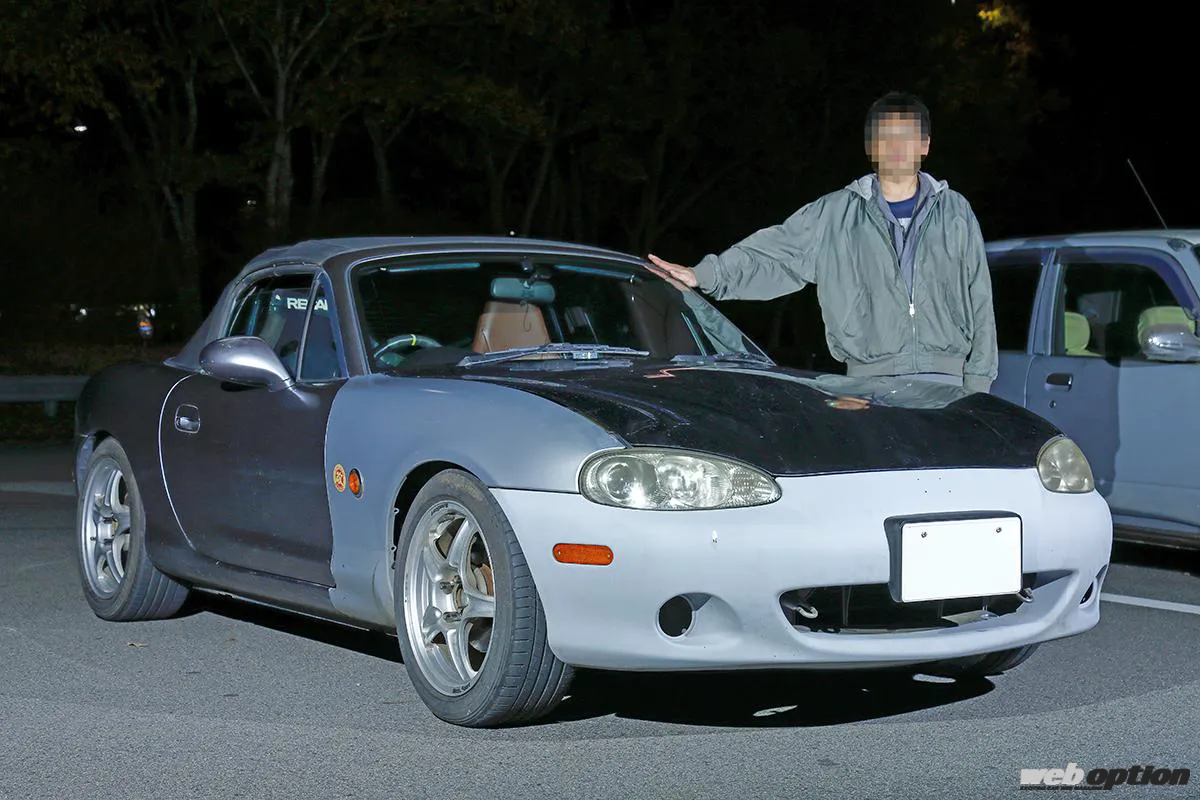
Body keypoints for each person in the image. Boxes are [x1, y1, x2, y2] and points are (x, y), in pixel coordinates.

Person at [646, 91, 998, 393]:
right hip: (868, 386)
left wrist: (978, 384)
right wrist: (705, 274)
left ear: (924, 144)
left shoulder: (955, 211)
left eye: (907, 136)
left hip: (946, 384)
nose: (896, 147)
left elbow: (980, 296)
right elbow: (777, 254)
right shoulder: (835, 214)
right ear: (870, 146)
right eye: (885, 136)